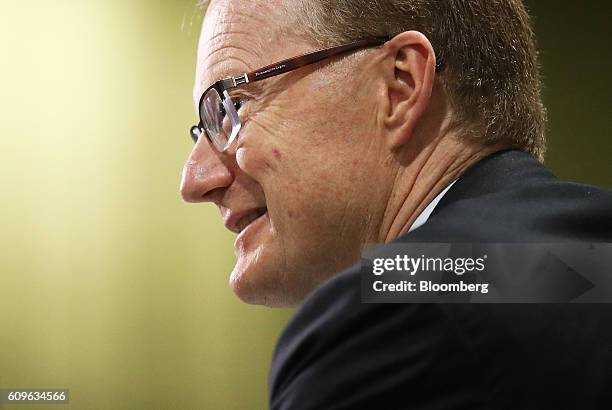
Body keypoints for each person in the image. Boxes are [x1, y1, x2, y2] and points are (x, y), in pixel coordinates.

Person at [181, 0, 612, 408]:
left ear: (400, 86)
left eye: (232, 108)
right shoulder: (577, 266)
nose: (195, 180)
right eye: (204, 130)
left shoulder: (395, 320)